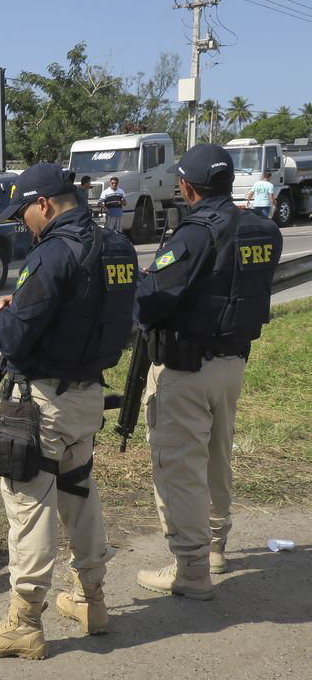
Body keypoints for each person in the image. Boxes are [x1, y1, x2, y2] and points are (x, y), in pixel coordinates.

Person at [0, 163, 137, 660]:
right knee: (79, 493)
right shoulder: (117, 247)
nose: (23, 225)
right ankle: (91, 599)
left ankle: (23, 622)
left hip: (43, 401)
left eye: (24, 214)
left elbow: (16, 335)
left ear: (44, 204)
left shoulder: (53, 253)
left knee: (28, 502)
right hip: (87, 397)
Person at [134, 144, 282, 598]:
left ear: (185, 186)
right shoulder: (263, 229)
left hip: (186, 369)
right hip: (233, 363)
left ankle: (192, 570)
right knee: (218, 457)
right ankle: (215, 547)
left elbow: (150, 299)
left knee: (179, 467)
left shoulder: (195, 233)